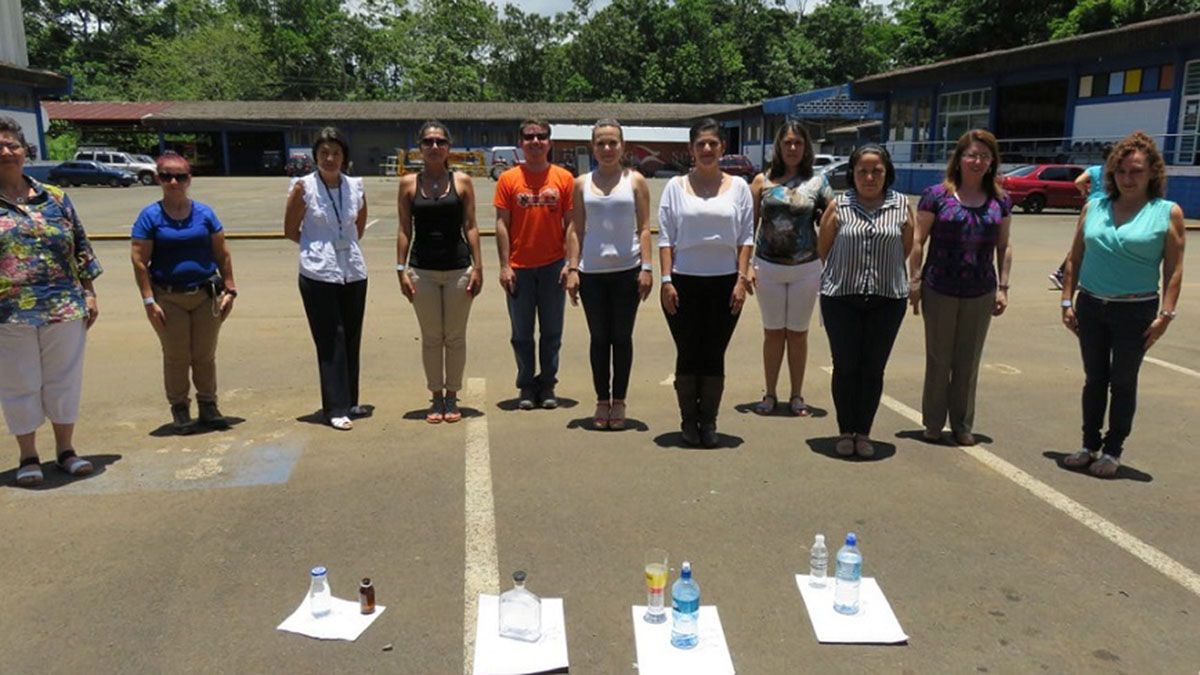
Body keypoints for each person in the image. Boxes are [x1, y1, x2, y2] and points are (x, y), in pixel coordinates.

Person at [1060, 131, 1185, 478]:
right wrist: (1067, 301)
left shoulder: (1166, 213)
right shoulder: (1094, 207)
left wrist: (1166, 315)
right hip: (1091, 305)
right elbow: (1076, 257)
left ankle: (1113, 451)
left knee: (1124, 381)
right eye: (1121, 171)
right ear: (1111, 173)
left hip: (1136, 310)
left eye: (1137, 171)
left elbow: (1173, 269)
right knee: (1094, 378)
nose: (1128, 179)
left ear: (1152, 174)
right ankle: (1088, 445)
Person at [0, 116, 101, 486]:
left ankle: (66, 450)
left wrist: (89, 292)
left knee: (63, 379)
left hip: (64, 305)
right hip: (10, 311)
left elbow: (81, 248)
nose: (6, 152)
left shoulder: (55, 198)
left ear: (25, 151)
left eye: (11, 144)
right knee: (19, 382)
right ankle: (28, 455)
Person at [908, 129, 1013, 447]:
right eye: (971, 155)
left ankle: (963, 424)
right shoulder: (937, 195)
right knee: (939, 357)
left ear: (992, 161)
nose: (977, 161)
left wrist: (1003, 286)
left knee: (968, 360)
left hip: (980, 290)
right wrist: (914, 281)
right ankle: (933, 422)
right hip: (939, 286)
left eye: (984, 156)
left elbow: (1004, 246)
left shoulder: (1000, 200)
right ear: (959, 158)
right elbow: (917, 240)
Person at [659, 118, 753, 448]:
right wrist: (666, 280)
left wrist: (741, 280)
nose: (707, 149)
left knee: (713, 353)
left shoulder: (740, 187)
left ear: (722, 148)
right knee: (688, 353)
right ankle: (688, 421)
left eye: (713, 143)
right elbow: (666, 237)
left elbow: (746, 238)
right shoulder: (675, 186)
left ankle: (709, 422)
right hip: (683, 282)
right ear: (691, 150)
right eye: (701, 144)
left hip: (724, 283)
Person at [818, 144, 913, 458]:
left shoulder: (901, 205)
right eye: (862, 171)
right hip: (841, 298)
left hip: (887, 299)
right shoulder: (839, 205)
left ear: (887, 174)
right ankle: (846, 430)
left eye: (877, 171)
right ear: (852, 174)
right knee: (845, 367)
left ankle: (864, 433)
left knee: (873, 369)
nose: (870, 177)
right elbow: (824, 249)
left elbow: (907, 246)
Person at [131, 152, 237, 434]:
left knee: (204, 354)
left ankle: (208, 405)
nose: (174, 181)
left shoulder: (205, 214)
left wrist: (231, 289)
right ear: (158, 178)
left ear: (190, 179)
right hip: (168, 296)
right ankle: (180, 408)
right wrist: (148, 300)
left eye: (180, 176)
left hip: (205, 295)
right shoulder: (150, 216)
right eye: (167, 176)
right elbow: (139, 260)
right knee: (177, 355)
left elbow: (222, 253)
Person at [565, 119, 653, 430]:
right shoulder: (580, 184)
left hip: (627, 271)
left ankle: (620, 402)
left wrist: (646, 267)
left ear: (622, 146)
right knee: (600, 339)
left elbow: (644, 228)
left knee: (622, 338)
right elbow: (575, 229)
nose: (606, 148)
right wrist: (573, 268)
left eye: (612, 142)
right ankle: (603, 400)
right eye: (600, 143)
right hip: (591, 273)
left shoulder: (636, 181)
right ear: (593, 146)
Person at [396, 121, 484, 424]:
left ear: (449, 147)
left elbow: (471, 226)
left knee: (455, 337)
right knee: (432, 337)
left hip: (459, 269)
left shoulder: (462, 182)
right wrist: (401, 269)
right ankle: (436, 395)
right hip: (422, 270)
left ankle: (452, 395)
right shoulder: (408, 183)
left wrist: (478, 267)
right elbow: (405, 228)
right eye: (428, 142)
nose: (434, 147)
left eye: (440, 142)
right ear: (419, 147)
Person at [284, 127, 369, 430]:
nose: (330, 158)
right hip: (318, 272)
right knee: (330, 339)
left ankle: (351, 399)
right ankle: (334, 406)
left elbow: (358, 225)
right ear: (315, 156)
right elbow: (290, 229)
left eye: (335, 152)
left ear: (344, 156)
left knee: (351, 336)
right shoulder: (303, 188)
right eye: (324, 153)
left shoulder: (355, 186)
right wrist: (316, 248)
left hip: (353, 271)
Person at [747, 121, 832, 417]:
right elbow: (749, 227)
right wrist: (746, 266)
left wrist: (826, 253)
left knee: (797, 333)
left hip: (806, 269)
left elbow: (832, 219)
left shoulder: (818, 183)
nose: (793, 148)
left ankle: (796, 395)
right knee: (772, 333)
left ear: (806, 146)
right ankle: (770, 394)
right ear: (778, 147)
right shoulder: (762, 181)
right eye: (788, 143)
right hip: (768, 267)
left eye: (798, 143)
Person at [494, 118, 575, 409]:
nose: (536, 142)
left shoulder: (564, 178)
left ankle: (548, 384)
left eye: (541, 136)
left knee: (552, 331)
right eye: (529, 137)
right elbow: (502, 224)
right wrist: (505, 265)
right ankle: (527, 386)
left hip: (554, 266)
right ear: (521, 143)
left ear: (550, 142)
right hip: (520, 268)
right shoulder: (508, 179)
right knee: (522, 333)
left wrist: (571, 263)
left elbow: (571, 225)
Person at [1049, 154, 1108, 289]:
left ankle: (1066, 273)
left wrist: (1085, 192)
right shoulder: (1115, 172)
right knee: (1089, 242)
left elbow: (1078, 181)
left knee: (1084, 240)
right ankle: (1061, 272)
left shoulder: (1094, 169)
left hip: (1090, 204)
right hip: (1104, 207)